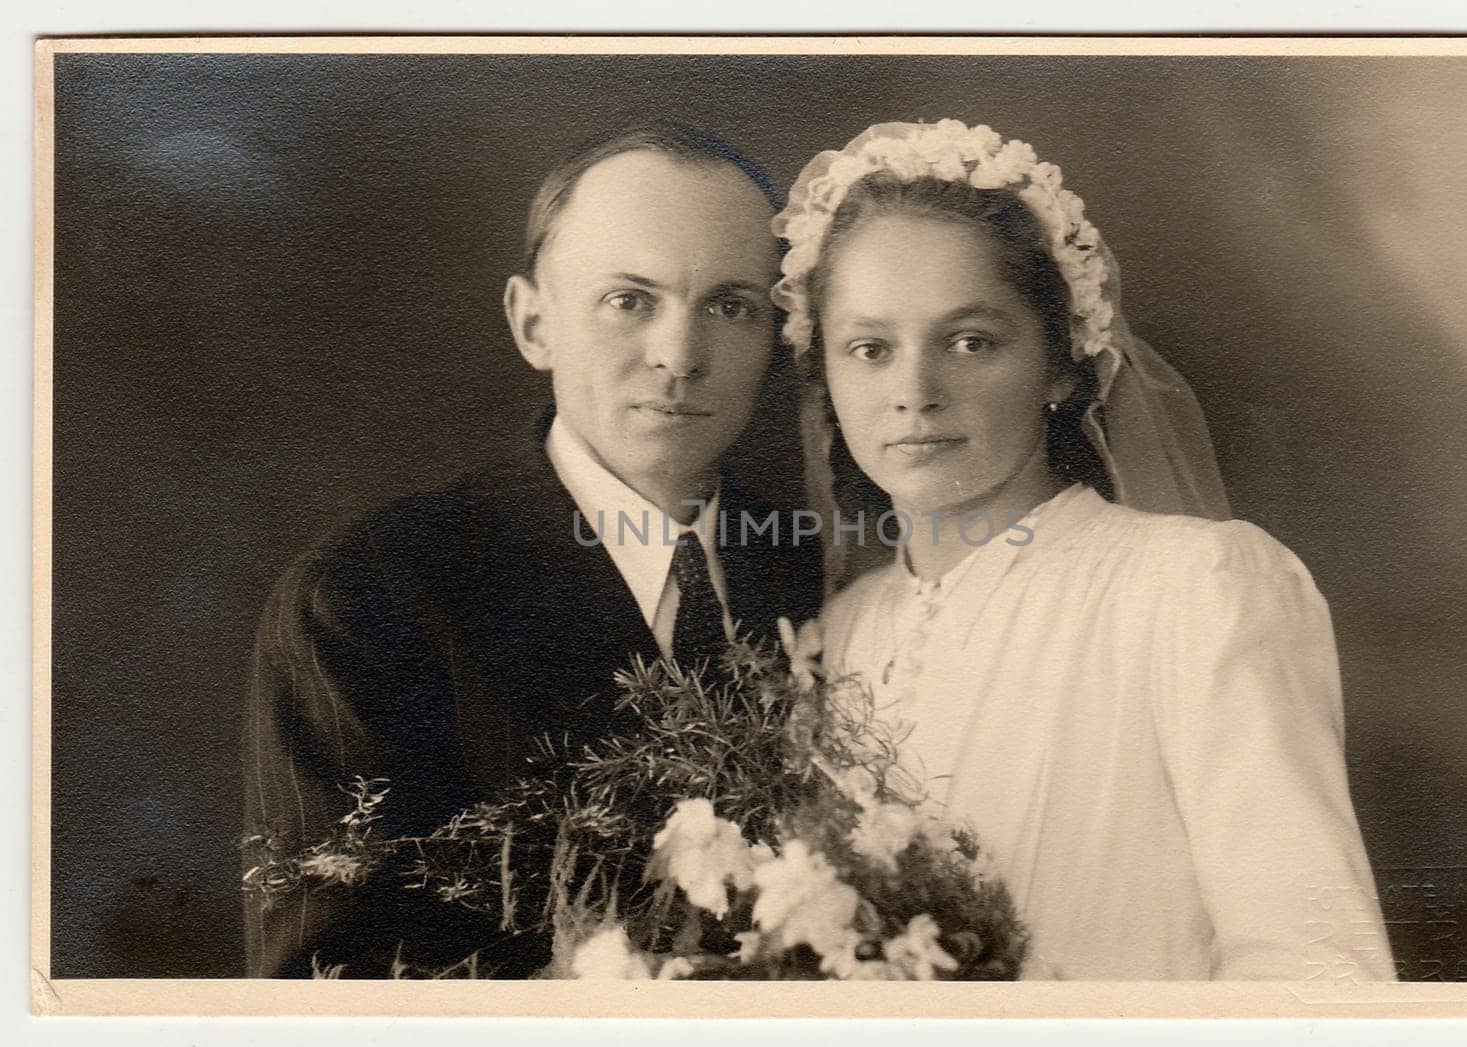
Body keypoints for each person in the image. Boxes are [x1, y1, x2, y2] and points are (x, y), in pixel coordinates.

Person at [772, 119, 1395, 980]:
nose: (913, 392)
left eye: (970, 341)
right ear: (827, 379)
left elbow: (1319, 971)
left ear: (1061, 367)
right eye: (870, 349)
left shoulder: (1193, 589)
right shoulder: (837, 634)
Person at [242, 125, 821, 978]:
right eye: (630, 299)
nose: (679, 356)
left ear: (775, 341)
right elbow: (324, 992)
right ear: (534, 322)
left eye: (730, 306)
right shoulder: (368, 600)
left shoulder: (821, 578)